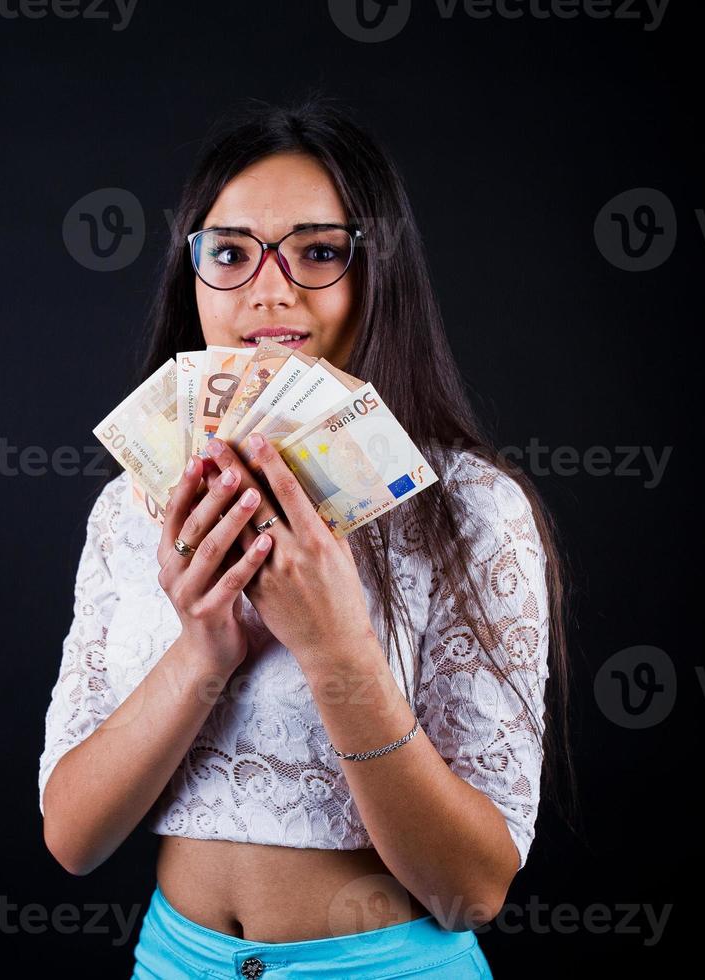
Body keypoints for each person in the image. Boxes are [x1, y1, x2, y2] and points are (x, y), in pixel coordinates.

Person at [38, 94, 573, 979]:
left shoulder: (472, 508)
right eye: (231, 255)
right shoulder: (132, 507)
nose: (271, 290)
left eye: (319, 252)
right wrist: (204, 651)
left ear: (379, 275)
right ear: (192, 274)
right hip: (173, 962)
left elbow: (470, 892)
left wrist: (334, 648)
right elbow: (72, 839)